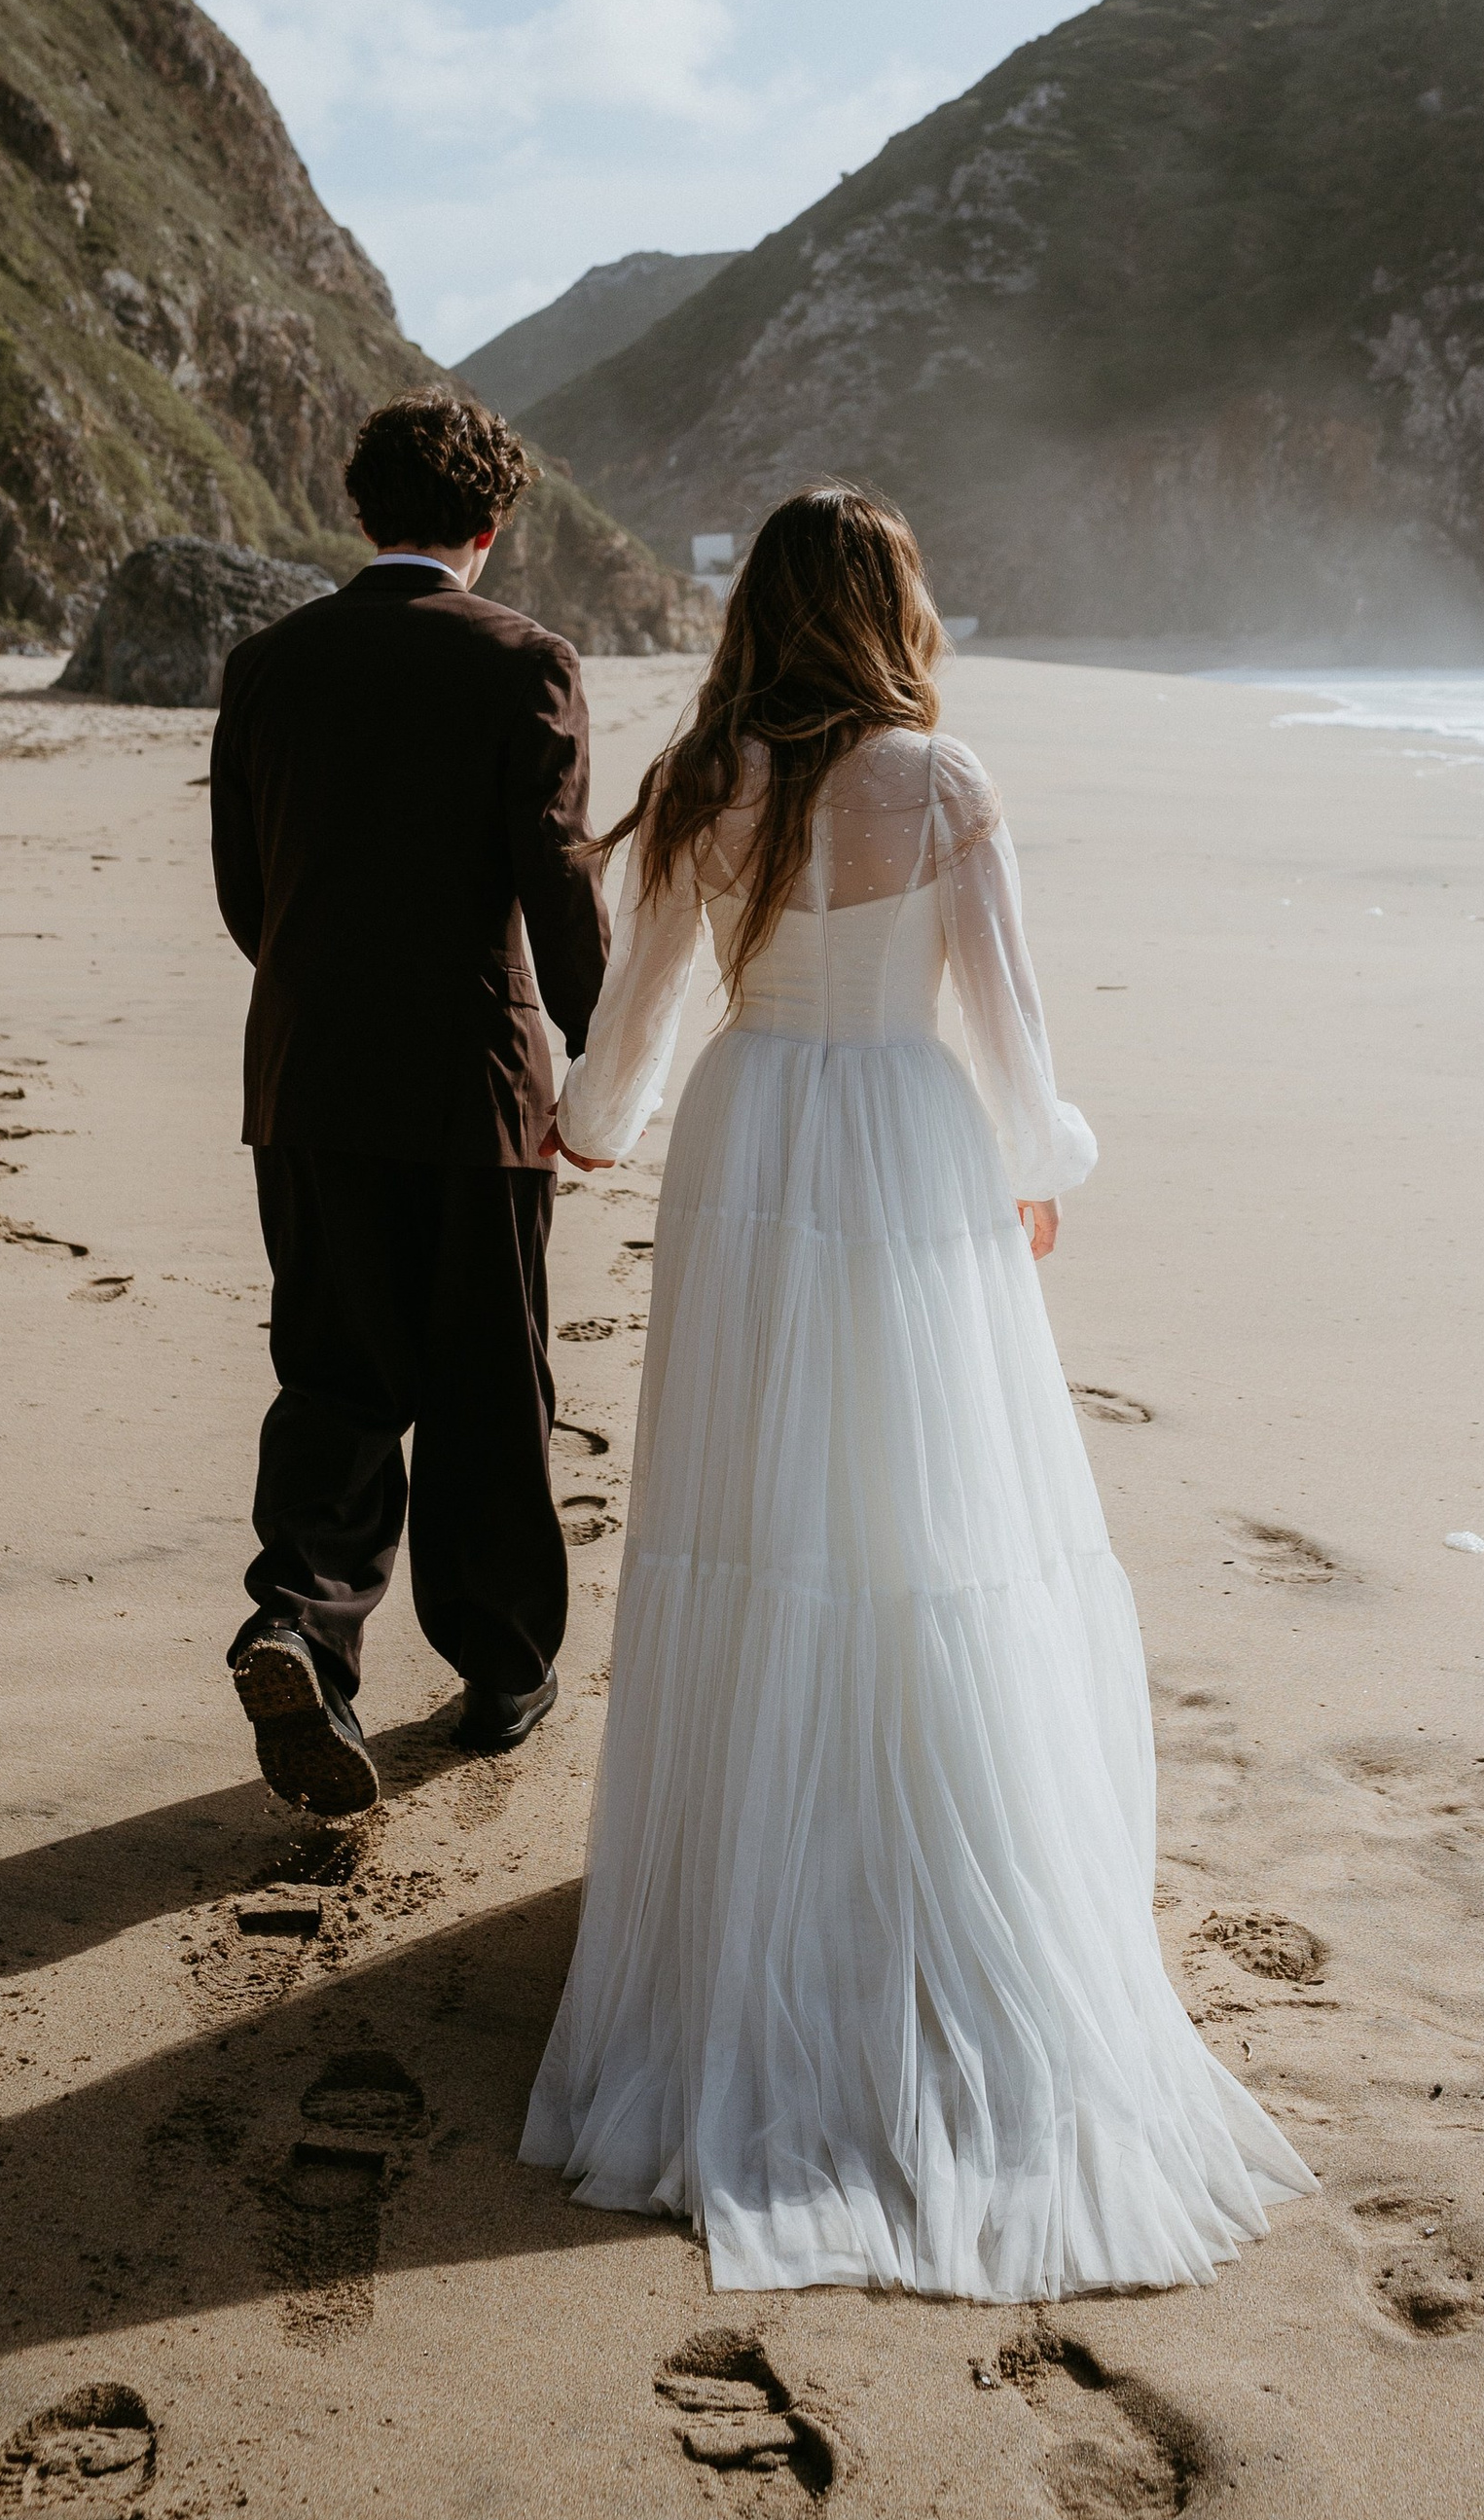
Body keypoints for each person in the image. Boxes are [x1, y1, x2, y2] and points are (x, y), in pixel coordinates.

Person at [522, 483, 1310, 2298]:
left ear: (763, 615)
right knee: (929, 1513)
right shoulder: (940, 784)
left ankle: (746, 1887)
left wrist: (587, 1128)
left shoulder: (706, 775)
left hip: (749, 1135)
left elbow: (635, 1022)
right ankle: (925, 1874)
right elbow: (1011, 1022)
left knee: (753, 1513)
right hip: (898, 1137)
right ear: (889, 607)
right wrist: (1045, 1154)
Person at [208, 390, 607, 1817]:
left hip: (307, 1075)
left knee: (334, 1370)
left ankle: (297, 1624)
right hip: (473, 1083)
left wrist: (327, 995)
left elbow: (246, 893)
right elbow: (554, 877)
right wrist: (597, 1051)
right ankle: (504, 1672)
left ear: (361, 514)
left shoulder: (267, 663)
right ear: (489, 530)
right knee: (491, 1386)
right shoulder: (527, 663)